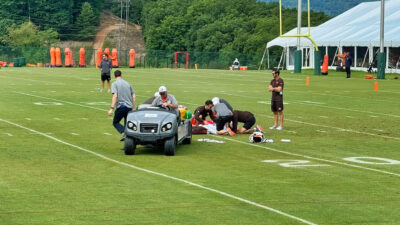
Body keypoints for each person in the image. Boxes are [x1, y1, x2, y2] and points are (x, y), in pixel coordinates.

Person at [108, 70, 136, 140]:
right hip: (129, 107)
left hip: (121, 107)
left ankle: (126, 133)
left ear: (114, 76)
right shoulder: (127, 83)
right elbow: (133, 95)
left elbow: (115, 95)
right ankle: (128, 144)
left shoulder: (114, 84)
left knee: (115, 122)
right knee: (127, 125)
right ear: (121, 75)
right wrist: (133, 107)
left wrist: (111, 108)